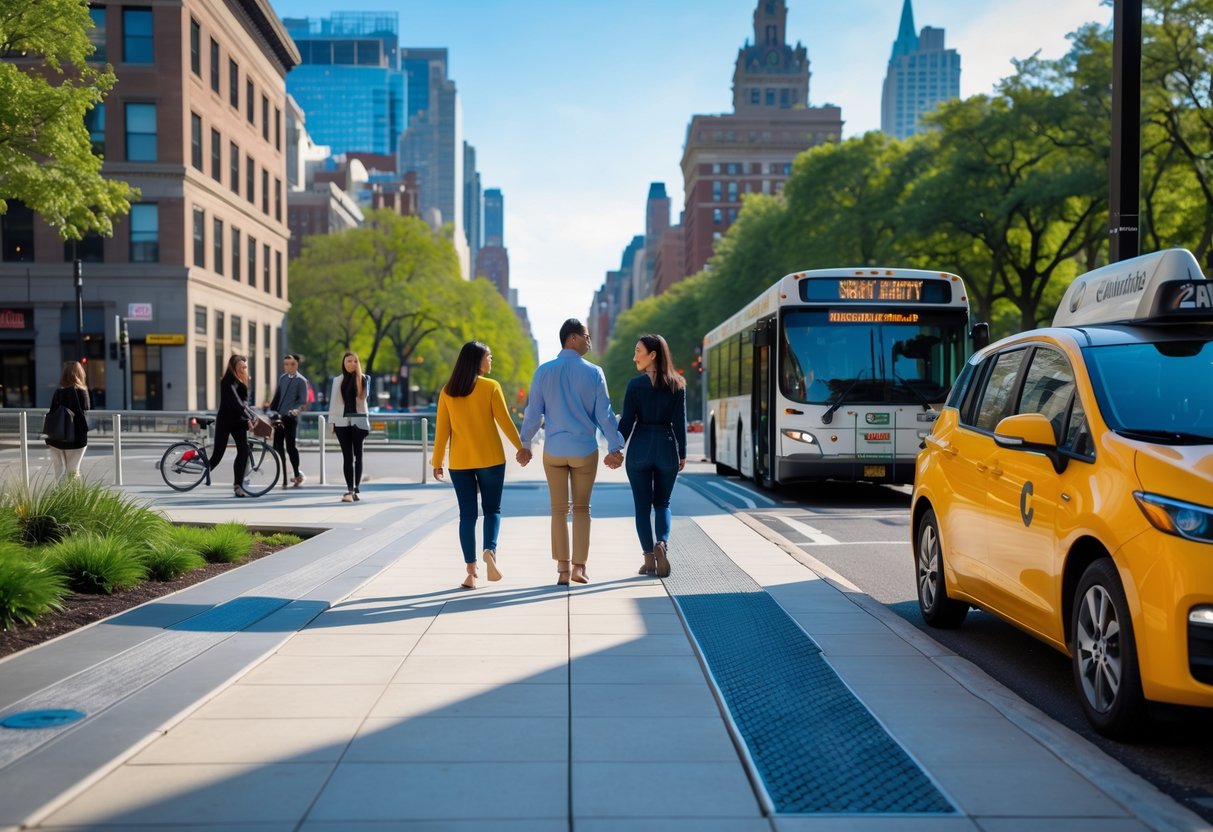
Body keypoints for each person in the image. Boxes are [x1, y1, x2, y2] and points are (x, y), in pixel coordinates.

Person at [519, 318, 625, 586]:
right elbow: (605, 414)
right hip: (584, 450)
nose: (589, 341)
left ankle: (562, 570)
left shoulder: (543, 371)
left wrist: (525, 443)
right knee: (581, 509)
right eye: (586, 336)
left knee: (557, 510)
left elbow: (533, 413)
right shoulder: (594, 373)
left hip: (554, 450)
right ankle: (580, 567)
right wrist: (615, 446)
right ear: (572, 338)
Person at [432, 341, 527, 589]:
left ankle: (471, 573)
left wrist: (437, 461)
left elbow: (442, 429)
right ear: (478, 360)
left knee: (467, 515)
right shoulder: (490, 387)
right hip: (491, 459)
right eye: (489, 357)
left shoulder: (447, 391)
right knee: (492, 510)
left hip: (460, 462)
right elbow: (505, 421)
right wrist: (521, 448)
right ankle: (489, 551)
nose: (491, 360)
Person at [618, 334, 687, 578]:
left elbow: (626, 422)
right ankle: (662, 544)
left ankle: (649, 559)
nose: (634, 356)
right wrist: (682, 453)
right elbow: (680, 423)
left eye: (638, 351)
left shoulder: (634, 386)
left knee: (641, 507)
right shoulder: (677, 385)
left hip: (640, 447)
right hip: (666, 446)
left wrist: (616, 447)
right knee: (663, 504)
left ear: (652, 355)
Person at [207, 354, 259, 498]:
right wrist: (248, 417)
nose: (244, 369)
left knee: (243, 451)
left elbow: (244, 404)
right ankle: (198, 469)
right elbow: (236, 403)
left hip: (238, 422)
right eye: (241, 366)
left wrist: (253, 415)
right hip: (226, 421)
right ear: (234, 366)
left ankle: (238, 485)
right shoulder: (227, 382)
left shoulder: (242, 382)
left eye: (245, 367)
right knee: (217, 456)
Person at [328, 351, 370, 502]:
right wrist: (331, 422)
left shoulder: (364, 379)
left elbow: (364, 398)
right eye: (348, 361)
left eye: (354, 361)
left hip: (358, 421)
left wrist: (358, 377)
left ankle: (356, 488)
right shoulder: (337, 380)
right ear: (343, 363)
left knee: (358, 455)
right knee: (347, 456)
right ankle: (349, 489)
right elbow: (333, 403)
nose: (351, 364)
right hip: (341, 421)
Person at [268, 353, 310, 487]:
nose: (289, 367)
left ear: (297, 365)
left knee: (291, 447)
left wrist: (296, 410)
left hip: (291, 418)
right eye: (286, 364)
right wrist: (271, 409)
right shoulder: (282, 378)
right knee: (277, 446)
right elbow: (278, 396)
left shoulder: (301, 380)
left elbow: (303, 401)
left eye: (292, 364)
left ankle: (297, 473)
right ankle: (285, 475)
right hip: (279, 417)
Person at [45, 361, 91, 480]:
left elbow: (52, 412)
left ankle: (59, 497)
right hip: (77, 437)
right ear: (80, 374)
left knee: (59, 473)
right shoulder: (82, 392)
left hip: (56, 438)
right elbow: (86, 409)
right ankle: (73, 498)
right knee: (73, 471)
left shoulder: (58, 392)